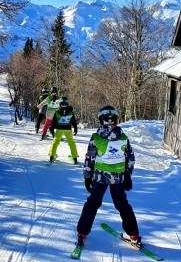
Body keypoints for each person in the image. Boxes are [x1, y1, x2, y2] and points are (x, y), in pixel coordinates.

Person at [74, 105, 140, 250]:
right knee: (122, 204)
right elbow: (130, 158)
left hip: (100, 177)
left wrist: (87, 176)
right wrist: (128, 175)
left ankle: (82, 233)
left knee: (92, 203)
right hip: (118, 177)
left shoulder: (96, 138)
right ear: (116, 121)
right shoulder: (123, 138)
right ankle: (134, 235)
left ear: (100, 120)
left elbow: (89, 158)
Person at [48, 97, 79, 164]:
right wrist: (75, 129)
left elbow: (53, 122)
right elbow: (73, 121)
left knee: (55, 142)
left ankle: (51, 156)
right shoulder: (71, 112)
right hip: (68, 129)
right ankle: (74, 157)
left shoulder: (57, 112)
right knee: (71, 143)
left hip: (59, 129)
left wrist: (52, 129)